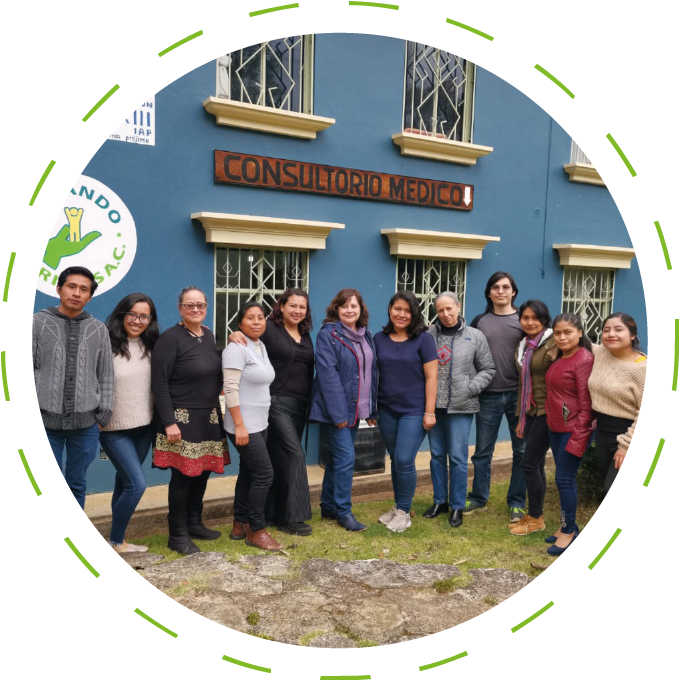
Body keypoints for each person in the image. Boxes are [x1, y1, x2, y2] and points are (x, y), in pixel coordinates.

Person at [228, 289, 314, 537]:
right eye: (292, 305)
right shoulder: (270, 328)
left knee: (279, 459)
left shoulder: (305, 333)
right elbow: (248, 335)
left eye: (302, 307)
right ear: (281, 306)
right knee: (295, 455)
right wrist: (233, 334)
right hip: (275, 402)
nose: (297, 311)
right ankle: (292, 518)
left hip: (300, 404)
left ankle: (270, 513)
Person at [151, 287, 229, 555]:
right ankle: (177, 534)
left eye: (200, 305)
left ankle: (194, 523)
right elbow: (159, 383)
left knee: (203, 472)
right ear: (180, 309)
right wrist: (168, 421)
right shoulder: (169, 339)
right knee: (184, 476)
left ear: (206, 307)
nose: (195, 309)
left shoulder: (208, 335)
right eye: (189, 305)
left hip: (208, 417)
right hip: (180, 419)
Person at [32, 266, 113, 510]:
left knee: (76, 484)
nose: (77, 293)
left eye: (83, 289)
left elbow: (106, 374)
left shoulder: (98, 329)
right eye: (71, 286)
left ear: (90, 296)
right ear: (59, 289)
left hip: (86, 426)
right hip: (44, 423)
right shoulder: (38, 323)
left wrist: (103, 414)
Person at [423, 292, 495, 529]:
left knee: (457, 457)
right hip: (434, 406)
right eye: (440, 310)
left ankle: (456, 505)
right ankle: (440, 501)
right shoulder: (428, 335)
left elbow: (488, 369)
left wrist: (470, 388)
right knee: (436, 455)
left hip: (461, 407)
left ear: (458, 306)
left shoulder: (474, 336)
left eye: (449, 309)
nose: (445, 314)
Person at [310, 288, 378, 532]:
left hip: (356, 408)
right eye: (344, 306)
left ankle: (328, 506)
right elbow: (327, 376)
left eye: (354, 306)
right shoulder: (328, 335)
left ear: (361, 309)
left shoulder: (365, 334)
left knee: (338, 459)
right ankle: (343, 511)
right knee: (346, 459)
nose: (349, 310)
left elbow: (371, 374)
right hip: (336, 412)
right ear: (336, 309)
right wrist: (339, 415)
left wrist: (371, 410)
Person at [371, 291, 438, 532]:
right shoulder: (379, 339)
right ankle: (399, 506)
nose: (402, 314)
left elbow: (432, 377)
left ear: (414, 313)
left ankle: (403, 512)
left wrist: (429, 411)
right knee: (395, 459)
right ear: (390, 309)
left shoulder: (423, 339)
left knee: (403, 459)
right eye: (397, 309)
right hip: (387, 409)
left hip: (414, 410)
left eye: (407, 310)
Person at [99, 293, 159, 553]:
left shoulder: (153, 344)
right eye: (132, 314)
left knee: (123, 484)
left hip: (144, 427)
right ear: (122, 314)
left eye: (144, 316)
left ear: (151, 319)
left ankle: (118, 540)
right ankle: (116, 541)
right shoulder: (105, 343)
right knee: (136, 485)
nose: (137, 321)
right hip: (113, 428)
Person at [468, 271, 527, 522]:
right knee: (483, 451)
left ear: (513, 292)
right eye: (495, 287)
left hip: (519, 395)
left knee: (521, 451)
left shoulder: (524, 319)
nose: (500, 291)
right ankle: (479, 498)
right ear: (489, 293)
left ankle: (517, 503)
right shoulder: (480, 321)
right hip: (488, 396)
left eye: (505, 287)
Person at [223, 301, 279, 551]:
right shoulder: (237, 348)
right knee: (264, 474)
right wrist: (239, 425)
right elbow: (230, 388)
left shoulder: (259, 346)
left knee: (249, 473)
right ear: (239, 323)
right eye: (250, 318)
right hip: (243, 424)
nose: (256, 322)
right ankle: (257, 530)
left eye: (260, 317)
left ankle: (240, 523)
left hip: (259, 422)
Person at [544, 313, 595, 556]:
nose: (562, 337)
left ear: (580, 333)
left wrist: (579, 436)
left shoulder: (583, 359)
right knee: (563, 479)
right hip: (556, 428)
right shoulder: (560, 357)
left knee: (564, 479)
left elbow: (587, 405)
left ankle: (569, 531)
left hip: (574, 430)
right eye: (557, 333)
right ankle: (568, 525)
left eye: (568, 332)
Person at [509, 300, 559, 536]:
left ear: (544, 319)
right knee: (536, 463)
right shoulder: (524, 345)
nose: (530, 322)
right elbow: (523, 382)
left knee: (529, 463)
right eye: (525, 318)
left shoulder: (554, 342)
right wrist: (521, 415)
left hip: (547, 411)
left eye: (535, 318)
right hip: (529, 411)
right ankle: (534, 515)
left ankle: (536, 518)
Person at [588, 313, 647, 496]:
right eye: (606, 330)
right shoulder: (600, 353)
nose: (611, 334)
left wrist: (626, 446)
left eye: (618, 329)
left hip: (629, 433)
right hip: (603, 432)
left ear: (632, 335)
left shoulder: (643, 368)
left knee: (612, 489)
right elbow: (572, 335)